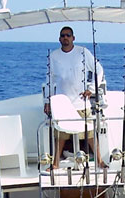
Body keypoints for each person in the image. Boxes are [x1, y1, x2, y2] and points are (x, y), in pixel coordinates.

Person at [44, 26, 105, 169]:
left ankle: (100, 161)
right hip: (62, 104)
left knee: (90, 134)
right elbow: (49, 79)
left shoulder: (83, 52)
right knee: (60, 136)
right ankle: (55, 164)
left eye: (68, 35)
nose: (66, 38)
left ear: (73, 38)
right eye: (63, 35)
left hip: (81, 102)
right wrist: (47, 101)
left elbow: (99, 70)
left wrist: (91, 89)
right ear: (59, 38)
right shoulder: (53, 56)